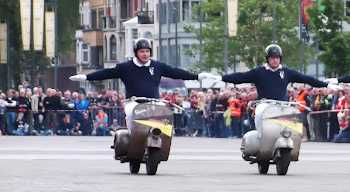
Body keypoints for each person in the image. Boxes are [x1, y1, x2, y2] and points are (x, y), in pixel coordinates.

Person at [69, 38, 215, 132]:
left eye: (147, 51)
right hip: (134, 101)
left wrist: (196, 76)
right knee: (132, 113)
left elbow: (176, 72)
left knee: (163, 115)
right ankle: (133, 137)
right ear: (136, 52)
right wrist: (86, 77)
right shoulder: (126, 67)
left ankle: (162, 141)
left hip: (154, 102)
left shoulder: (157, 66)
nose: (145, 54)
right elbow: (106, 73)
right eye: (141, 51)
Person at [219, 44, 329, 134]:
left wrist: (325, 84)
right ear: (267, 59)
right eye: (272, 58)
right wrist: (222, 78)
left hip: (282, 105)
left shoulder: (286, 72)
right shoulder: (259, 71)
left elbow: (305, 78)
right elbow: (240, 77)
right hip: (264, 104)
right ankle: (260, 136)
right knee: (259, 114)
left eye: (277, 58)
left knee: (290, 123)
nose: (275, 60)